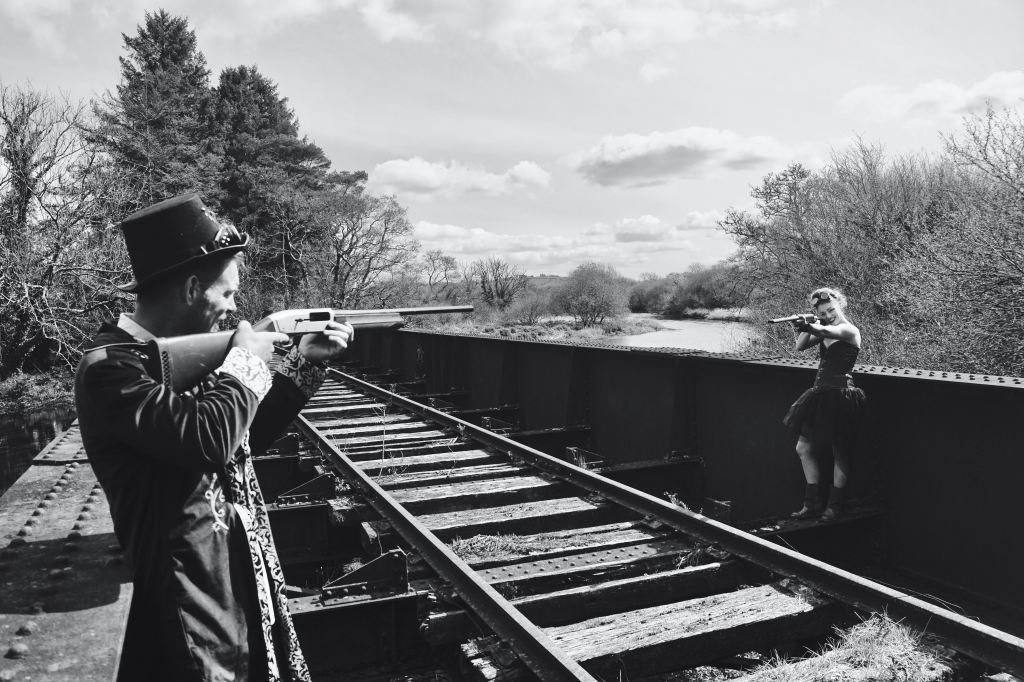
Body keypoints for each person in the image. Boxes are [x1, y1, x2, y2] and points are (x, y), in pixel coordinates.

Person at [74, 194, 353, 682]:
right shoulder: (111, 368)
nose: (233, 310)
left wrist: (306, 364)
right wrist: (245, 362)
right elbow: (206, 440)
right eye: (226, 295)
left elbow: (241, 440)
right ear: (189, 289)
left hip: (225, 570)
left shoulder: (182, 362)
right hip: (184, 594)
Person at [782, 287, 865, 522]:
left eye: (831, 309)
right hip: (819, 395)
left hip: (841, 397)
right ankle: (812, 504)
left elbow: (828, 329)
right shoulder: (822, 328)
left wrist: (812, 324)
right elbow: (800, 346)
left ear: (840, 305)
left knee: (840, 452)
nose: (829, 314)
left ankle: (834, 506)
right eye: (823, 312)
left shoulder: (849, 330)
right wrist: (806, 323)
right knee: (803, 448)